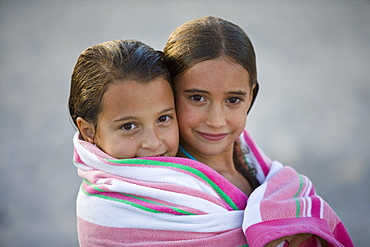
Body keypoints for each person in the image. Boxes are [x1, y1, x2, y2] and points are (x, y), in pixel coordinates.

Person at [163, 16, 353, 246]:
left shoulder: (254, 165)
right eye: (197, 98)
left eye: (233, 100)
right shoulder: (163, 187)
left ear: (251, 96)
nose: (216, 120)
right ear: (168, 95)